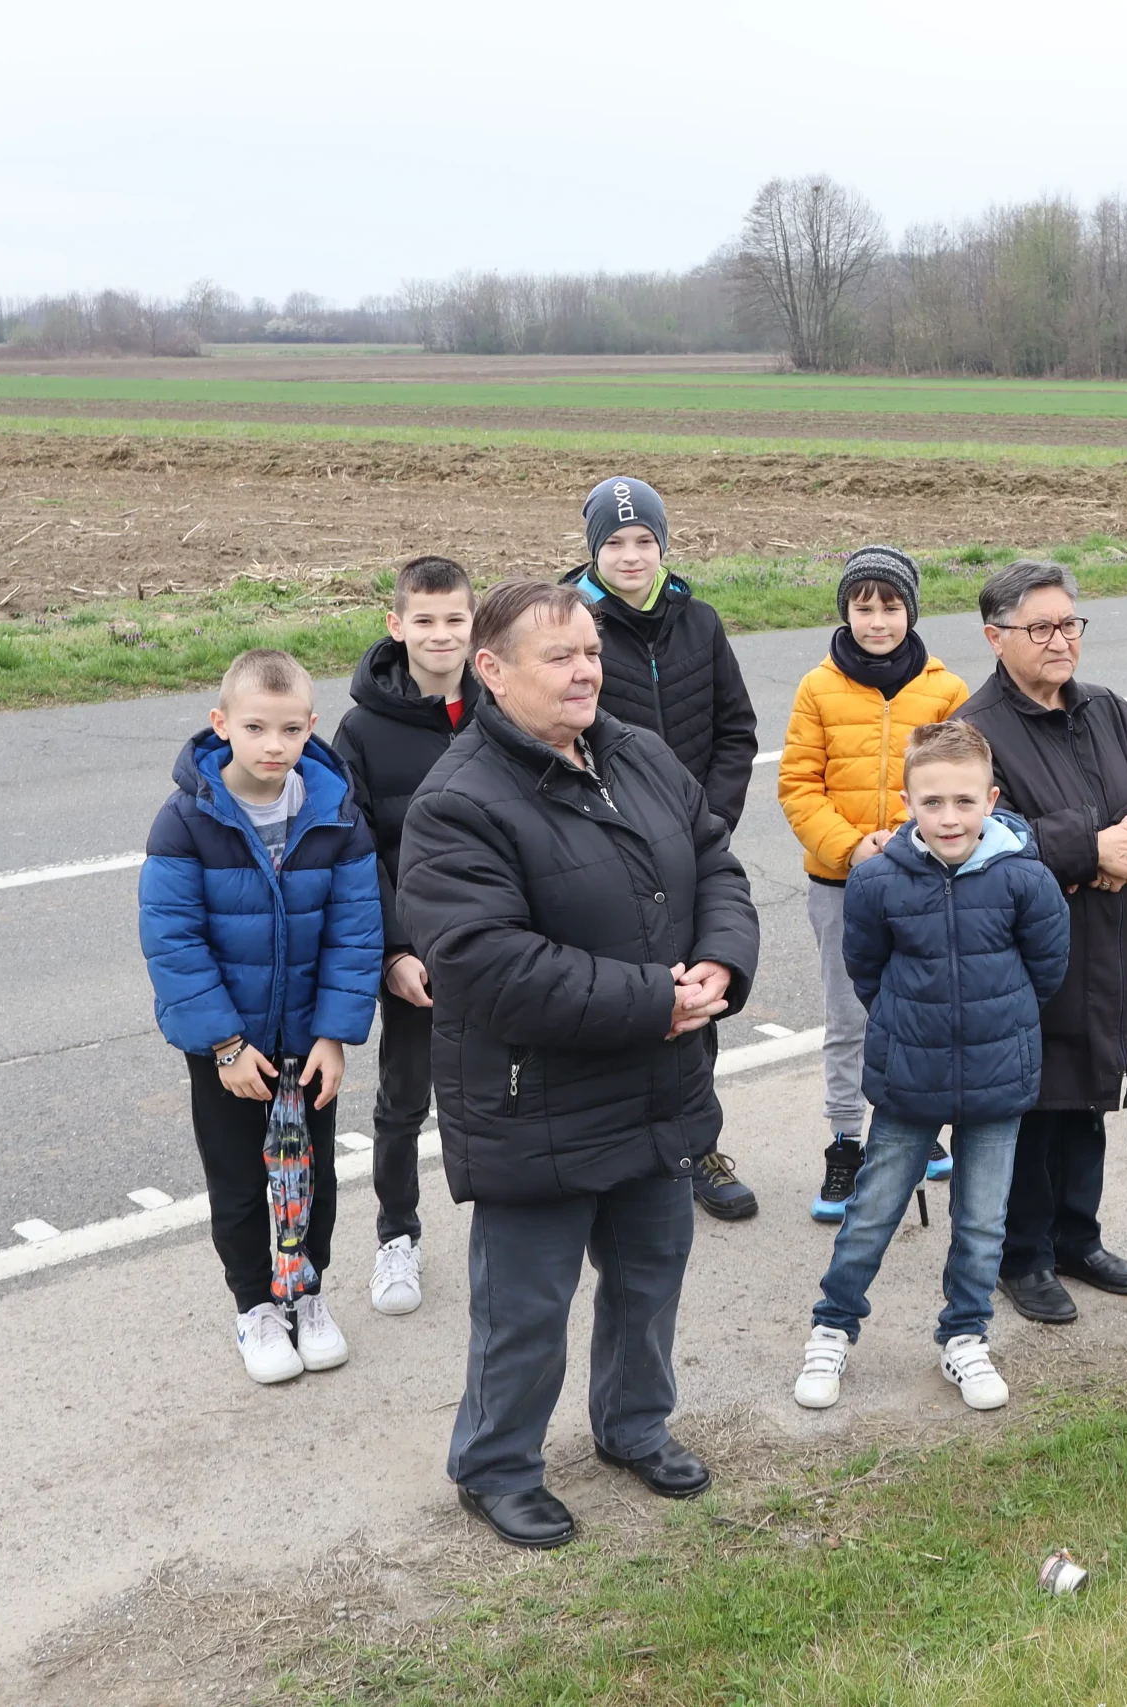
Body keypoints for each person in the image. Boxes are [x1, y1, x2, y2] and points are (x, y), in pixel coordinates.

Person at [399, 579, 759, 1550]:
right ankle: (496, 1468)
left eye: (591, 651)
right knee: (525, 1313)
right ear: (492, 669)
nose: (585, 670)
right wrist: (658, 1001)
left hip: (657, 1091)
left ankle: (633, 1427)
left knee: (650, 1279)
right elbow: (487, 966)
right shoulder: (458, 803)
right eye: (559, 656)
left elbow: (716, 863)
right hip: (537, 1107)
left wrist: (722, 961)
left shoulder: (636, 754)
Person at [792, 721, 1072, 1413]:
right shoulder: (877, 880)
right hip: (909, 1079)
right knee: (872, 1211)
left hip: (998, 1076)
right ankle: (832, 1327)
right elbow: (867, 970)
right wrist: (912, 1021)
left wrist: (990, 1023)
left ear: (991, 797)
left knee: (981, 1221)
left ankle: (965, 1336)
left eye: (964, 801)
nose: (949, 817)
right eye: (932, 801)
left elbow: (1047, 968)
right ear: (907, 801)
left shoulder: (1026, 879)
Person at [139, 649, 383, 1385]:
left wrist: (337, 1034)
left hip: (307, 1041)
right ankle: (255, 1303)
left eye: (288, 729)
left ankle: (306, 1291)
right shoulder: (187, 820)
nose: (273, 745)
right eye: (254, 727)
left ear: (312, 726)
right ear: (222, 725)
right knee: (241, 1180)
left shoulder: (335, 813)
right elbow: (172, 939)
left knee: (311, 1176)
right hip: (229, 1046)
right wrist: (224, 1042)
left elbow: (356, 928)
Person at [957, 559, 1127, 1326]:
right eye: (1041, 628)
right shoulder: (975, 732)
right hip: (1034, 957)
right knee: (1033, 1104)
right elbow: (988, 834)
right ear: (996, 637)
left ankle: (1077, 1235)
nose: (1061, 641)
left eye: (1069, 624)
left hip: (1116, 940)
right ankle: (1020, 1254)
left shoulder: (1106, 710)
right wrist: (1093, 849)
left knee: (1090, 1092)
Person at [563, 474, 760, 1223]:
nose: (631, 555)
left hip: (687, 847)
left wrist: (706, 821)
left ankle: (696, 1148)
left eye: (645, 540)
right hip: (604, 855)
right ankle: (610, 1153)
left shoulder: (699, 621)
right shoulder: (571, 624)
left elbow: (736, 730)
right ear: (593, 551)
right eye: (614, 543)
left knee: (695, 1001)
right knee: (620, 1002)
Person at [777, 546, 970, 1221]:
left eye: (890, 606)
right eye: (864, 607)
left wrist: (909, 841)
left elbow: (959, 783)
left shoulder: (945, 690)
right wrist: (853, 847)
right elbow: (798, 785)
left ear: (910, 610)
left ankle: (920, 1126)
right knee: (849, 1017)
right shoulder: (817, 687)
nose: (878, 620)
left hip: (922, 879)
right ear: (846, 612)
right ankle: (845, 1144)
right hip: (841, 883)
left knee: (922, 1009)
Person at [332, 555, 482, 1317]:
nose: (440, 634)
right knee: (403, 1099)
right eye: (423, 620)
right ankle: (397, 1236)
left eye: (455, 618)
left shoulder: (503, 710)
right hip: (417, 957)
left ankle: (513, 1223)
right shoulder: (359, 731)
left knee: (504, 1092)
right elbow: (356, 853)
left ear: (474, 622)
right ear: (396, 626)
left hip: (496, 949)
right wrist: (393, 951)